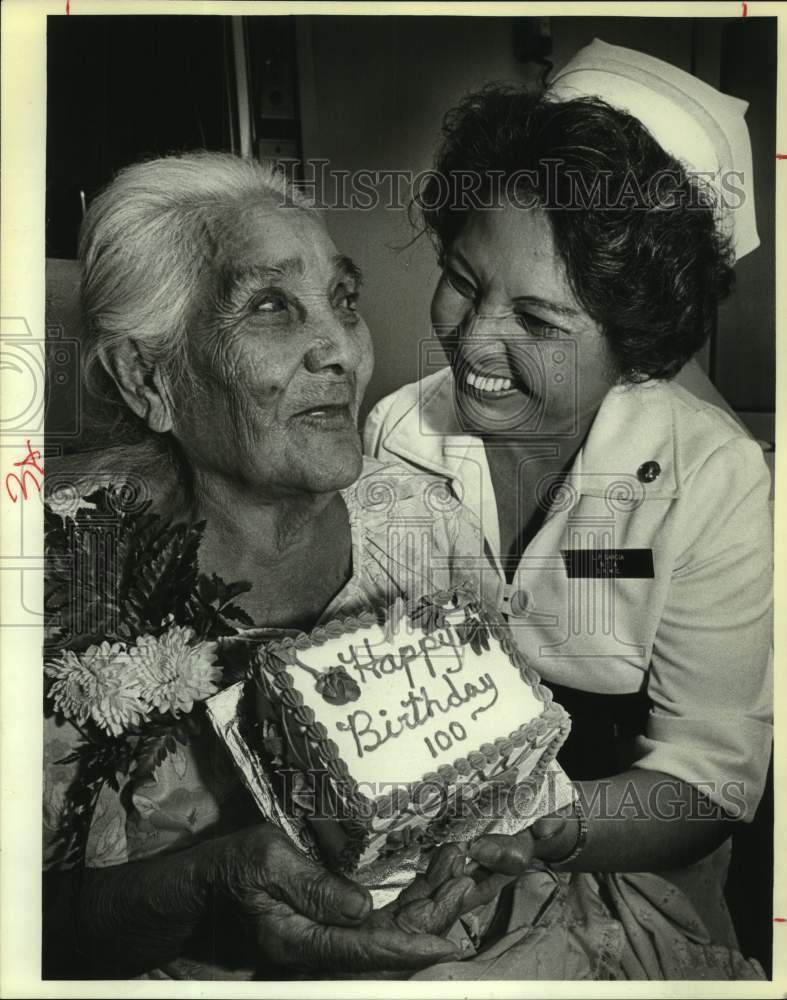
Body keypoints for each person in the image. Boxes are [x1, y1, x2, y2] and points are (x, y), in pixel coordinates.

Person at [365, 41, 772, 979]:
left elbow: (707, 779)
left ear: (634, 343)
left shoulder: (710, 480)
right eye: (462, 280)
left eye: (539, 322)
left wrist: (544, 830)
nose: (474, 341)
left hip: (627, 876)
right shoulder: (396, 434)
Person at [42, 151, 503, 979]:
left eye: (343, 300)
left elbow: (493, 769)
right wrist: (211, 886)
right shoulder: (58, 576)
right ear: (147, 379)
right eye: (269, 307)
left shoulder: (423, 525)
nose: (342, 352)